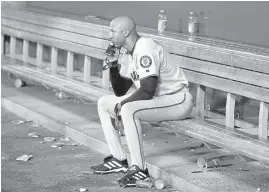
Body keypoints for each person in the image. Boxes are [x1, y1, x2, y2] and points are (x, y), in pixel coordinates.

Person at [91, 16, 194, 187]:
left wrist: (121, 105)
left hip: (178, 99)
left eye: (112, 31)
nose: (109, 35)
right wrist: (113, 64)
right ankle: (119, 158)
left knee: (128, 109)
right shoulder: (128, 53)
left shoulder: (145, 47)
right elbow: (120, 90)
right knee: (104, 102)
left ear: (125, 32)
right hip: (159, 100)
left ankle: (139, 169)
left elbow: (147, 90)